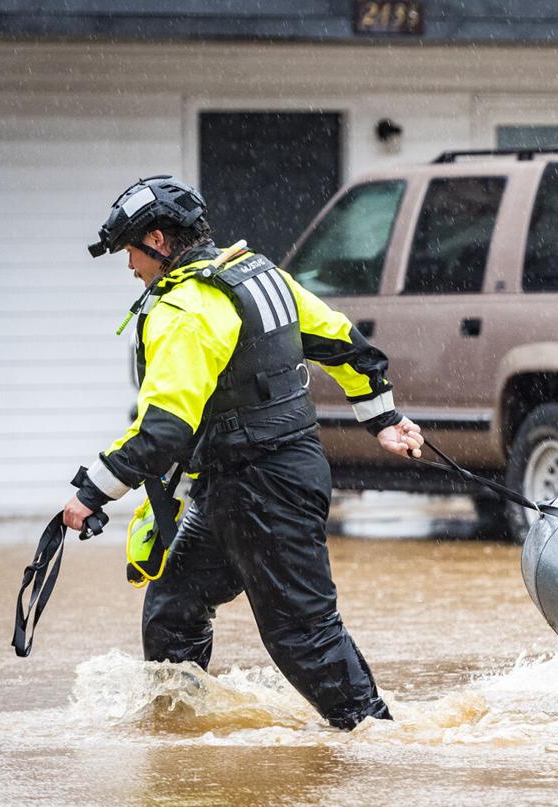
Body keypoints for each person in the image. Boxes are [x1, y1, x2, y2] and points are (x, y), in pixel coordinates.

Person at [65, 175, 424, 730]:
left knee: (303, 636)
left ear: (157, 241)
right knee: (175, 609)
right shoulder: (259, 275)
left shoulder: (184, 309)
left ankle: (380, 741)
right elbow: (346, 344)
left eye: (131, 253)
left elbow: (163, 431)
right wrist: (383, 418)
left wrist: (93, 492)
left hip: (264, 488)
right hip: (243, 482)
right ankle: (177, 736)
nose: (129, 267)